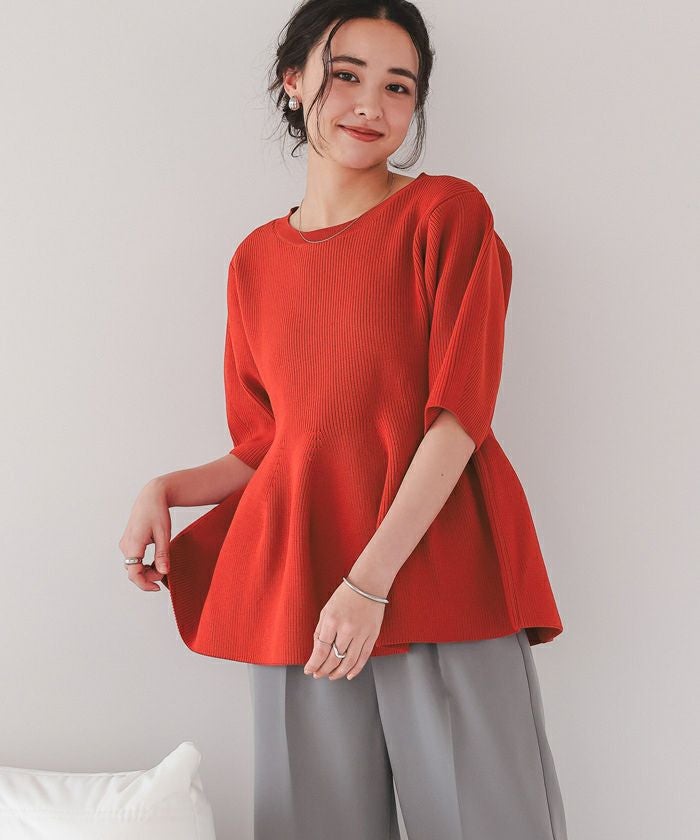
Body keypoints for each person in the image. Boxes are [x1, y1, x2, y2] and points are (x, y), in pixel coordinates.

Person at [119, 2, 568, 838]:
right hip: (304, 588)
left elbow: (459, 415)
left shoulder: (446, 215)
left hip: (439, 575)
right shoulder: (255, 262)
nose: (371, 104)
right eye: (347, 75)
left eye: (399, 86)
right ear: (294, 82)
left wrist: (369, 585)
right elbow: (271, 444)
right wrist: (167, 488)